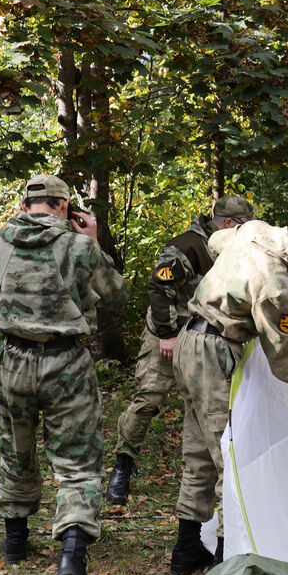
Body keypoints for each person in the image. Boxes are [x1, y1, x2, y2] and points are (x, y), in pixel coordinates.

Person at [169, 204, 288, 575]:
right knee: (230, 457)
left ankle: (187, 551)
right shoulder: (277, 286)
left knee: (199, 452)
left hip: (189, 341)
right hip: (215, 354)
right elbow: (282, 355)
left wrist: (249, 286)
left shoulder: (255, 230)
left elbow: (217, 242)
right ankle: (227, 562)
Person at [0, 175, 129, 575]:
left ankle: (14, 542)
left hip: (12, 357)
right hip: (66, 361)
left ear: (25, 205)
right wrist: (94, 240)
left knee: (14, 447)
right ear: (64, 207)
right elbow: (116, 295)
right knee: (78, 461)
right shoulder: (79, 246)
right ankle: (71, 556)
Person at [105, 196, 255, 505]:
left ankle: (208, 477)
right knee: (148, 400)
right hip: (168, 332)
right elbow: (159, 289)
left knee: (210, 407)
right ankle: (122, 464)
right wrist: (167, 334)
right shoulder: (187, 246)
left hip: (205, 338)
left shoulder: (234, 247)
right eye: (242, 226)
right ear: (229, 223)